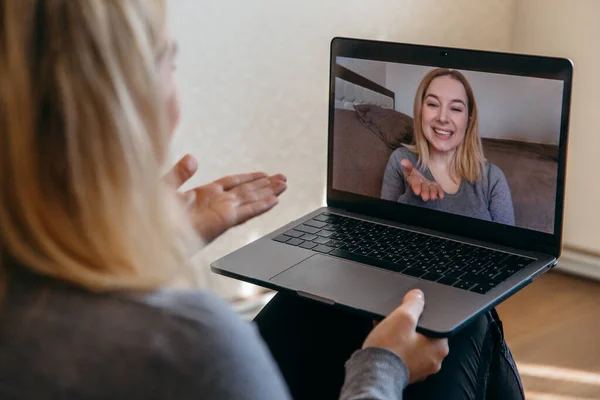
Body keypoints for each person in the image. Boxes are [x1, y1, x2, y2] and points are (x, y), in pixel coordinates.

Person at [0, 1, 448, 398]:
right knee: (461, 328)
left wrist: (142, 239)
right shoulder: (189, 346)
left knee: (311, 305)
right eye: (167, 63)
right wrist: (383, 369)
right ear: (123, 108)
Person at [381, 68, 515, 226]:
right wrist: (413, 200)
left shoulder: (492, 178)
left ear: (468, 121)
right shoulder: (401, 161)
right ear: (420, 112)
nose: (443, 118)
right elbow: (386, 233)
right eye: (433, 104)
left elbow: (506, 248)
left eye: (456, 108)